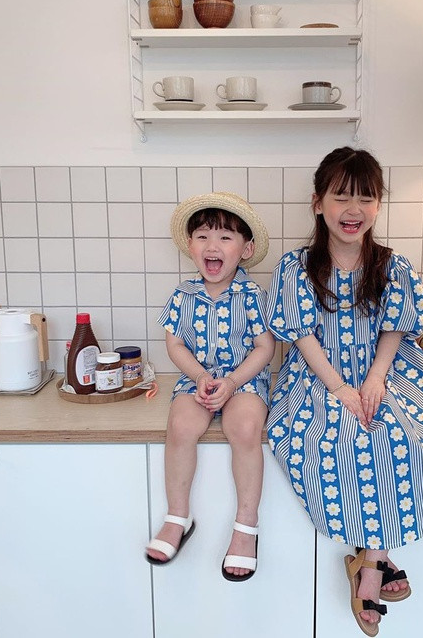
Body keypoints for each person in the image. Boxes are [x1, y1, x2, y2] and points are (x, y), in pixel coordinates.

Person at [267, 148, 423, 635]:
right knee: (344, 436)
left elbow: (395, 330)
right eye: (341, 196)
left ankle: (370, 557)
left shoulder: (392, 265)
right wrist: (340, 387)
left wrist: (377, 377)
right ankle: (373, 563)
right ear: (318, 203)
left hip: (389, 368)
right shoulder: (296, 266)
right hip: (318, 374)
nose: (353, 209)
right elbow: (301, 336)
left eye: (366, 197)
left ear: (379, 205)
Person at [145, 192, 275, 583]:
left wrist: (233, 381)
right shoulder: (182, 295)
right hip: (196, 378)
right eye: (202, 236)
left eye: (225, 237)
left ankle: (246, 525)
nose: (212, 245)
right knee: (181, 426)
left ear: (245, 249)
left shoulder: (253, 296)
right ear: (190, 246)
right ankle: (177, 517)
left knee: (245, 428)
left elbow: (265, 348)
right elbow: (175, 345)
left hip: (244, 379)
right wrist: (201, 376)